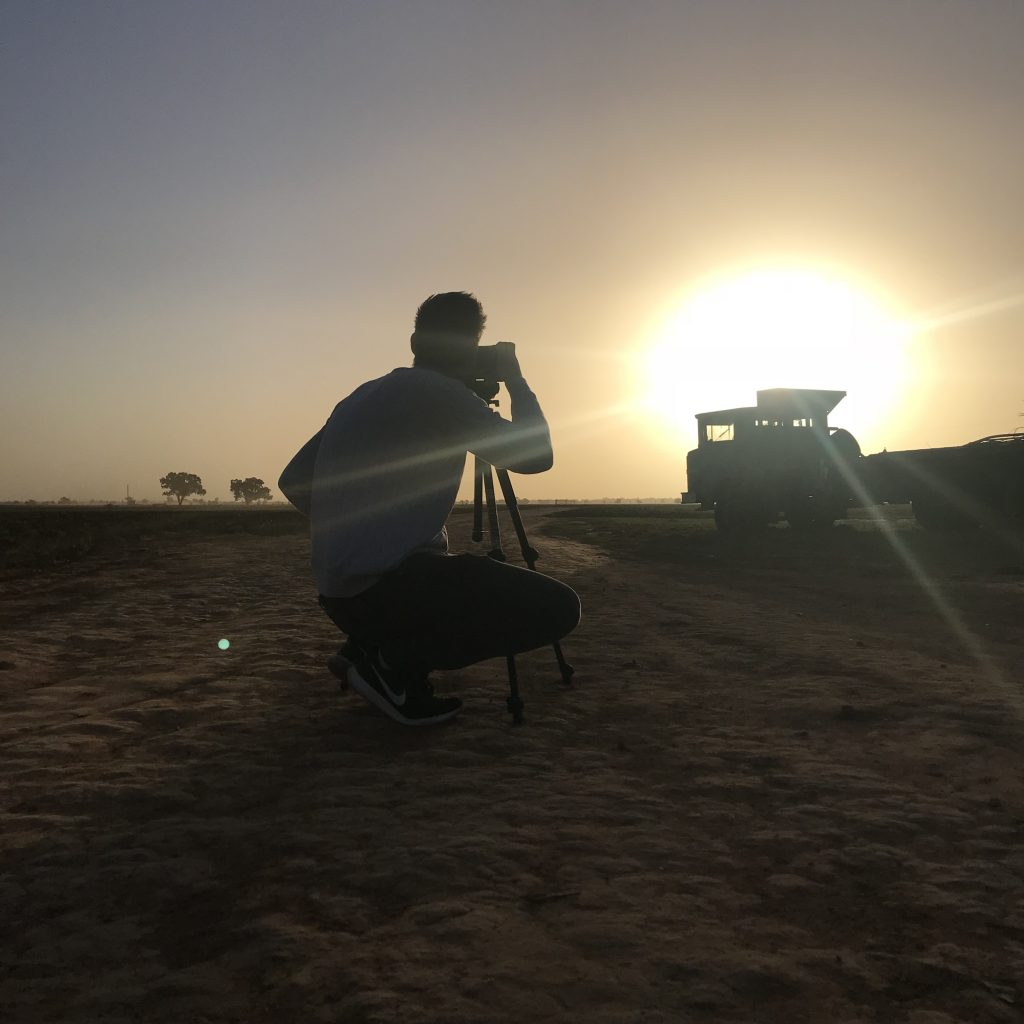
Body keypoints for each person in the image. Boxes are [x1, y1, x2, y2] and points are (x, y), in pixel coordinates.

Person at [279, 292, 581, 726]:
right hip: (389, 593)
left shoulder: (364, 393)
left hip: (339, 597)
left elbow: (293, 481)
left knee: (434, 570)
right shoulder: (441, 395)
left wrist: (354, 529)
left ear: (415, 342)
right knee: (558, 608)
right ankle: (390, 666)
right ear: (470, 349)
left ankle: (366, 647)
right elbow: (538, 457)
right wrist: (516, 379)